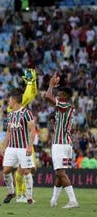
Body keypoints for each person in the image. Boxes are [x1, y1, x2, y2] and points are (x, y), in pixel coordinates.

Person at [45, 74, 79, 208]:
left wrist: (51, 85)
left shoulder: (65, 106)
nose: (56, 96)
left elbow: (47, 97)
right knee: (59, 173)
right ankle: (54, 199)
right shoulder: (67, 107)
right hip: (65, 143)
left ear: (65, 96)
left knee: (60, 172)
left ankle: (73, 201)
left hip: (61, 143)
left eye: (59, 95)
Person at [1, 88, 36, 204]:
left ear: (14, 100)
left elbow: (32, 130)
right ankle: (11, 192)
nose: (8, 102)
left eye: (9, 100)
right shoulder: (11, 115)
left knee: (26, 171)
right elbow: (9, 132)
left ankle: (29, 197)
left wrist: (30, 146)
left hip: (23, 147)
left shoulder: (26, 113)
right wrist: (4, 146)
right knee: (6, 170)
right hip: (11, 147)